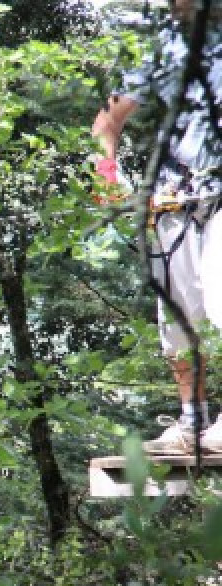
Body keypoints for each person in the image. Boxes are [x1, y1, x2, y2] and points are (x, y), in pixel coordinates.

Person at [92, 0, 222, 454]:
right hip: (173, 200)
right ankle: (191, 423)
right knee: (179, 321)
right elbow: (106, 123)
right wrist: (107, 176)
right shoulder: (160, 46)